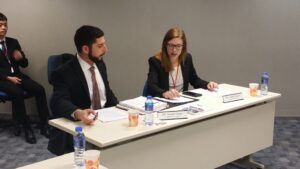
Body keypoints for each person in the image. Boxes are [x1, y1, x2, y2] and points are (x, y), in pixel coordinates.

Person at [48, 25, 118, 155]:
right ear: (85, 49)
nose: (106, 49)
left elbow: (106, 93)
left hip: (103, 124)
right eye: (100, 46)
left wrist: (121, 109)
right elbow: (58, 101)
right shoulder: (63, 72)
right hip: (80, 130)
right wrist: (78, 113)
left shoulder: (100, 63)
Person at [0, 13, 50, 144]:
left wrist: (21, 58)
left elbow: (24, 64)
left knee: (40, 89)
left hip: (18, 76)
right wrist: (7, 78)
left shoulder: (13, 42)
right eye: (0, 25)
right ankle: (26, 127)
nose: (4, 28)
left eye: (5, 25)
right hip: (2, 80)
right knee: (17, 93)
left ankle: (44, 124)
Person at [147, 27, 218, 99]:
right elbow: (152, 86)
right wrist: (164, 93)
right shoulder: (155, 61)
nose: (174, 50)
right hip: (164, 101)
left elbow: (194, 80)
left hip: (182, 101)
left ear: (183, 47)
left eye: (178, 46)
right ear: (165, 45)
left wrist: (207, 84)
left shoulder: (187, 58)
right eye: (171, 45)